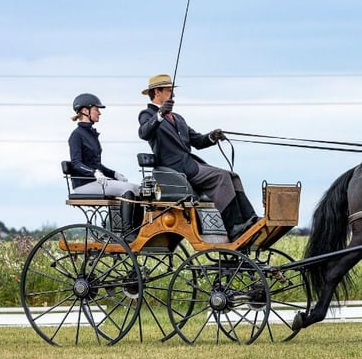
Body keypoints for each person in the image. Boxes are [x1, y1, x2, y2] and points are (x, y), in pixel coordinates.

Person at [137, 74, 259, 241]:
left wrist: (212, 137)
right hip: (174, 169)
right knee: (221, 177)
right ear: (157, 92)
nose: (173, 94)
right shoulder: (147, 114)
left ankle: (250, 220)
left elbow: (197, 141)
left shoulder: (178, 118)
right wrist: (160, 114)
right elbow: (144, 133)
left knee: (232, 176)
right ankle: (233, 227)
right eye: (169, 90)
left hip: (190, 164)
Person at [68, 93, 140, 238]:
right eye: (96, 109)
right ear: (85, 110)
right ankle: (127, 233)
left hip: (97, 180)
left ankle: (138, 231)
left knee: (138, 189)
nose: (99, 112)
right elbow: (76, 163)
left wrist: (114, 174)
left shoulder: (92, 135)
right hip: (84, 184)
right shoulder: (76, 135)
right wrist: (94, 173)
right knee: (127, 189)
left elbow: (98, 164)